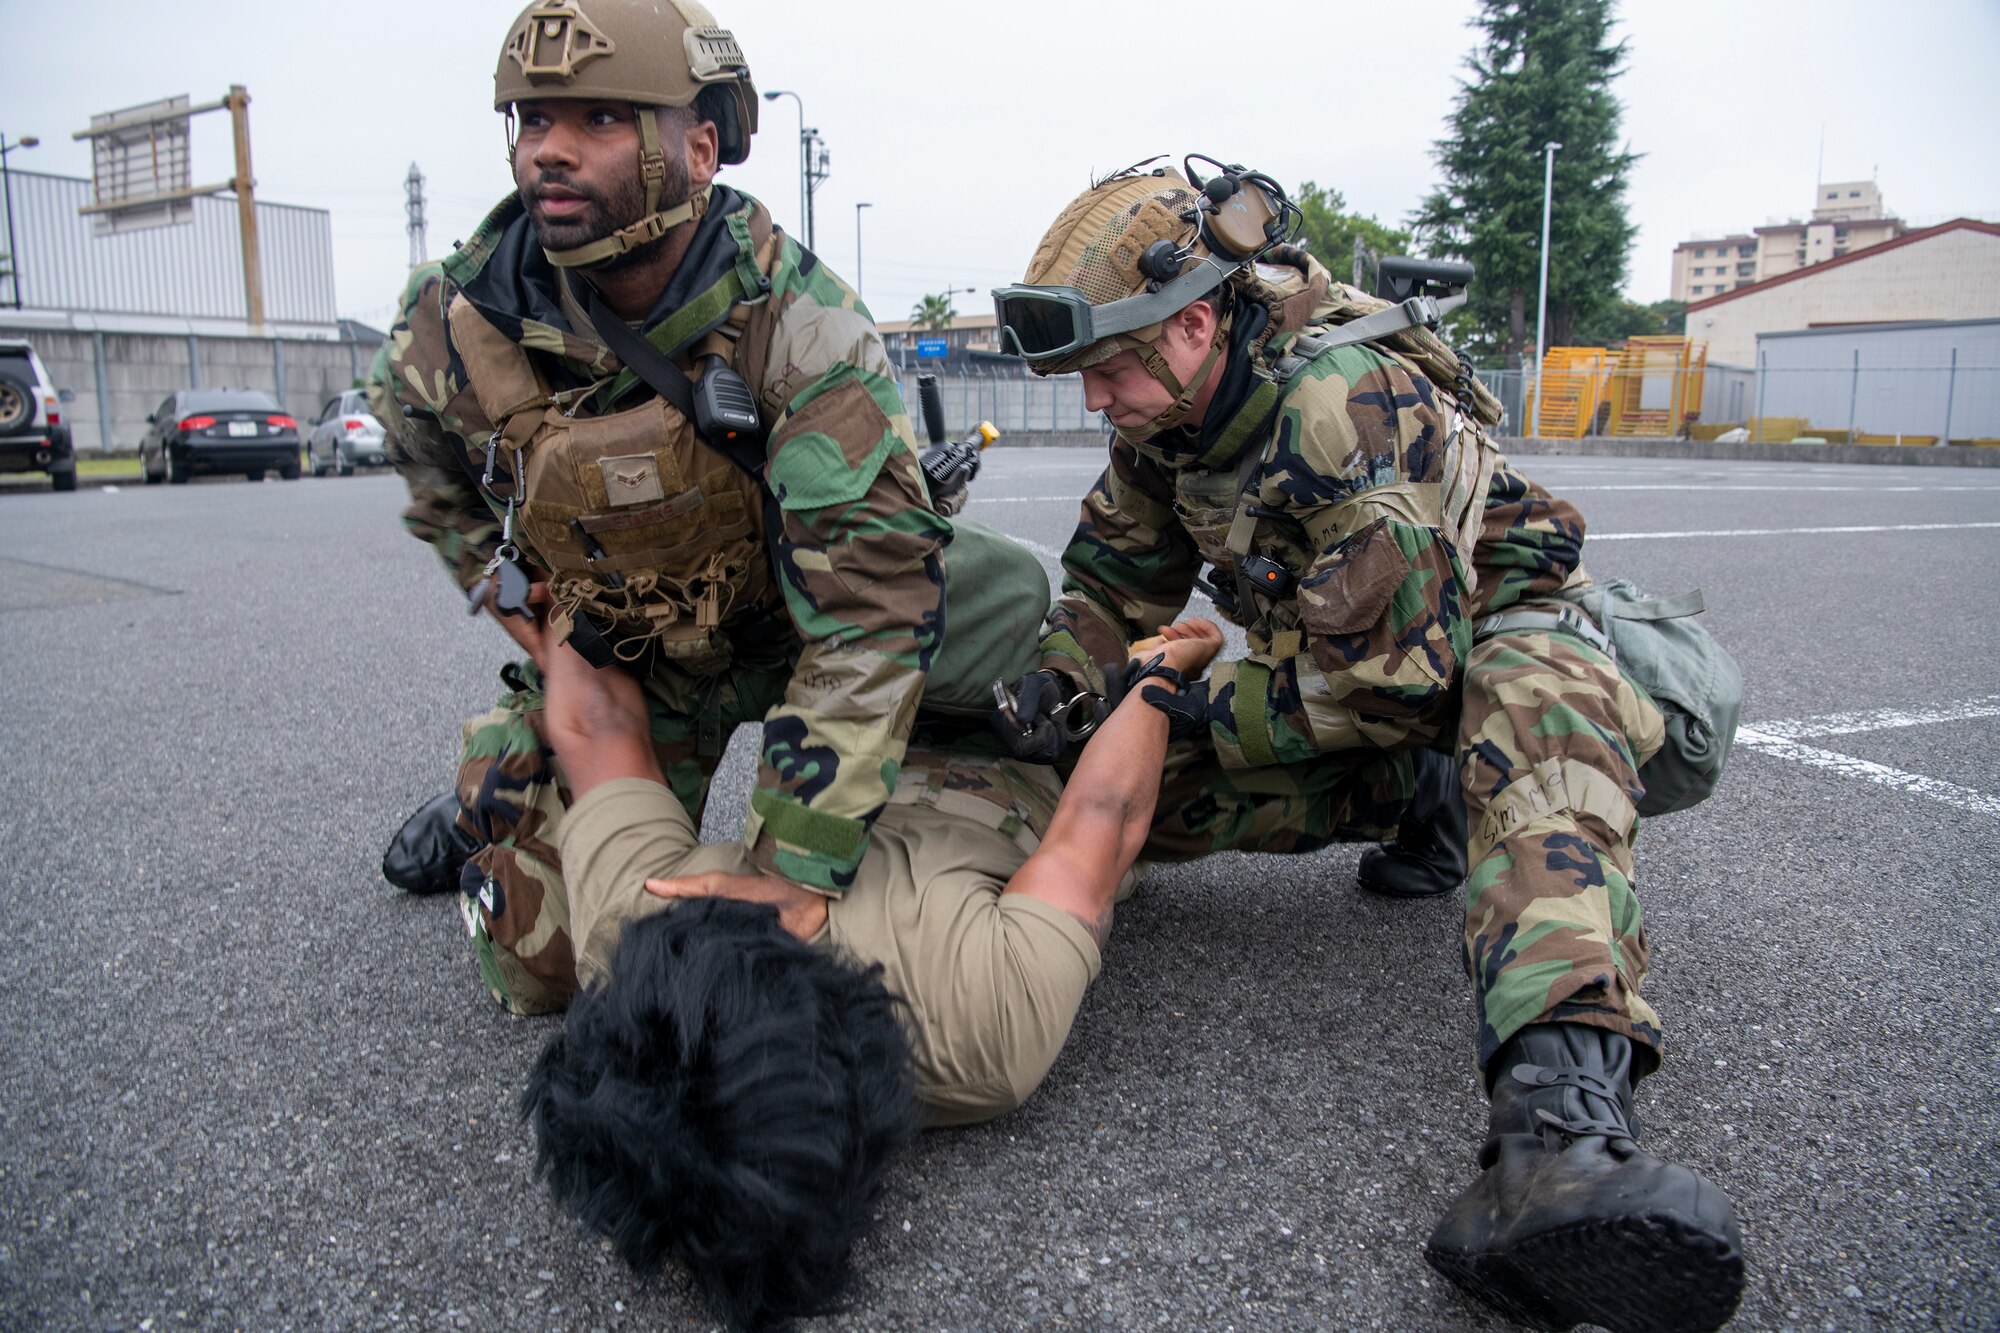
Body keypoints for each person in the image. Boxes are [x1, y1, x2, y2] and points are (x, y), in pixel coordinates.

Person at [988, 160, 1743, 1333]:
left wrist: (1196, 707)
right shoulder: (1168, 413)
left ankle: (1562, 1135)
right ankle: (1426, 800)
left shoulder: (1339, 403)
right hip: (1368, 677)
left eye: (1107, 370)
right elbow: (1109, 580)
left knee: (1528, 730)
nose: (1093, 401)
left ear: (1193, 322)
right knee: (1122, 776)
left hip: (1493, 641)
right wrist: (1062, 675)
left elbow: (1397, 680)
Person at [369, 0, 1038, 978]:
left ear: (699, 146)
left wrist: (792, 859)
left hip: (792, 626)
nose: (549, 152)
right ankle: (491, 801)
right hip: (632, 649)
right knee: (543, 968)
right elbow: (433, 482)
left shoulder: (799, 327)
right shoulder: (454, 319)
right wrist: (529, 614)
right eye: (531, 120)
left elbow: (868, 612)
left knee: (786, 942)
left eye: (598, 119)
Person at [518, 614, 1344, 1328]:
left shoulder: (635, 926)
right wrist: (1163, 674)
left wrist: (568, 595)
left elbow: (594, 722)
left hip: (857, 686)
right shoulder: (980, 1024)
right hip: (1023, 723)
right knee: (1331, 759)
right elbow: (1104, 814)